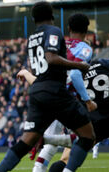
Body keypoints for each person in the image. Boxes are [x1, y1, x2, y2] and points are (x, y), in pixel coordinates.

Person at [0, 2, 95, 172]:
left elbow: (41, 64)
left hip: (37, 91)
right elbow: (51, 58)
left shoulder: (32, 37)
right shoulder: (54, 32)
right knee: (88, 136)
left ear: (33, 19)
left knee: (26, 142)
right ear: (53, 16)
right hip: (56, 91)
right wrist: (80, 66)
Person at [32, 13, 97, 172]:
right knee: (87, 137)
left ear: (69, 28)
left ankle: (38, 167)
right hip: (65, 98)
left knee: (53, 142)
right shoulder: (85, 48)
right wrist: (87, 100)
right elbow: (75, 74)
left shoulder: (59, 44)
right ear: (86, 30)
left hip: (47, 92)